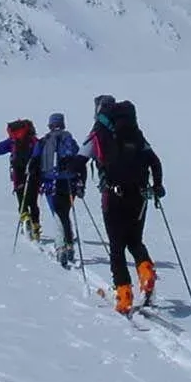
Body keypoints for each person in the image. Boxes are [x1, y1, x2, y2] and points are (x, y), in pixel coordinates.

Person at [74, 97, 165, 314]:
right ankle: (146, 271)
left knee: (116, 247)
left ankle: (124, 295)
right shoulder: (135, 132)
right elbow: (155, 161)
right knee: (134, 240)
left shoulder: (97, 133)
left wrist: (72, 176)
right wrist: (158, 185)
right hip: (139, 195)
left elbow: (79, 160)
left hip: (113, 195)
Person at [30, 112, 87, 267]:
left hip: (51, 183)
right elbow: (81, 162)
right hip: (70, 183)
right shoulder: (70, 141)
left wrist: (35, 182)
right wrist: (82, 183)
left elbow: (34, 163)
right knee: (64, 213)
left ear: (50, 125)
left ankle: (61, 246)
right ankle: (68, 244)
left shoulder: (43, 142)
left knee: (58, 214)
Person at [0, 119, 42, 240]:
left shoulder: (13, 141)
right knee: (33, 201)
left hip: (18, 174)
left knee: (21, 198)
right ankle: (35, 226)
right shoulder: (34, 141)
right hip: (33, 175)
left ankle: (25, 218)